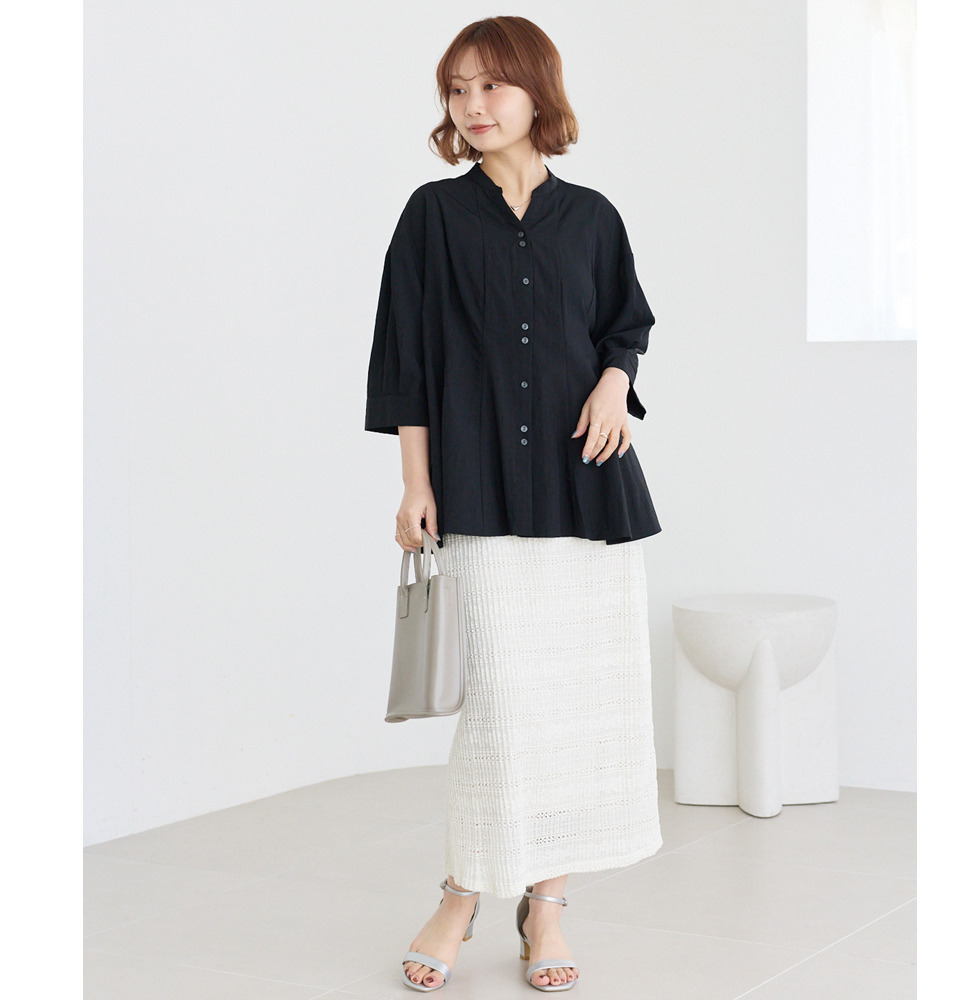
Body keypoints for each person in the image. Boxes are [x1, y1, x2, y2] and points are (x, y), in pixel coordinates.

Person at [364, 15, 663, 993]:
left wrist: (615, 381)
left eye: (491, 85)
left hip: (588, 487)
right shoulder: (433, 216)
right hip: (480, 485)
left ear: (538, 91)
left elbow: (625, 323)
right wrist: (415, 482)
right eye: (457, 89)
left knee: (571, 707)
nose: (473, 105)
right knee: (501, 707)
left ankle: (548, 906)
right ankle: (461, 894)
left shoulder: (594, 217)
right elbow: (406, 361)